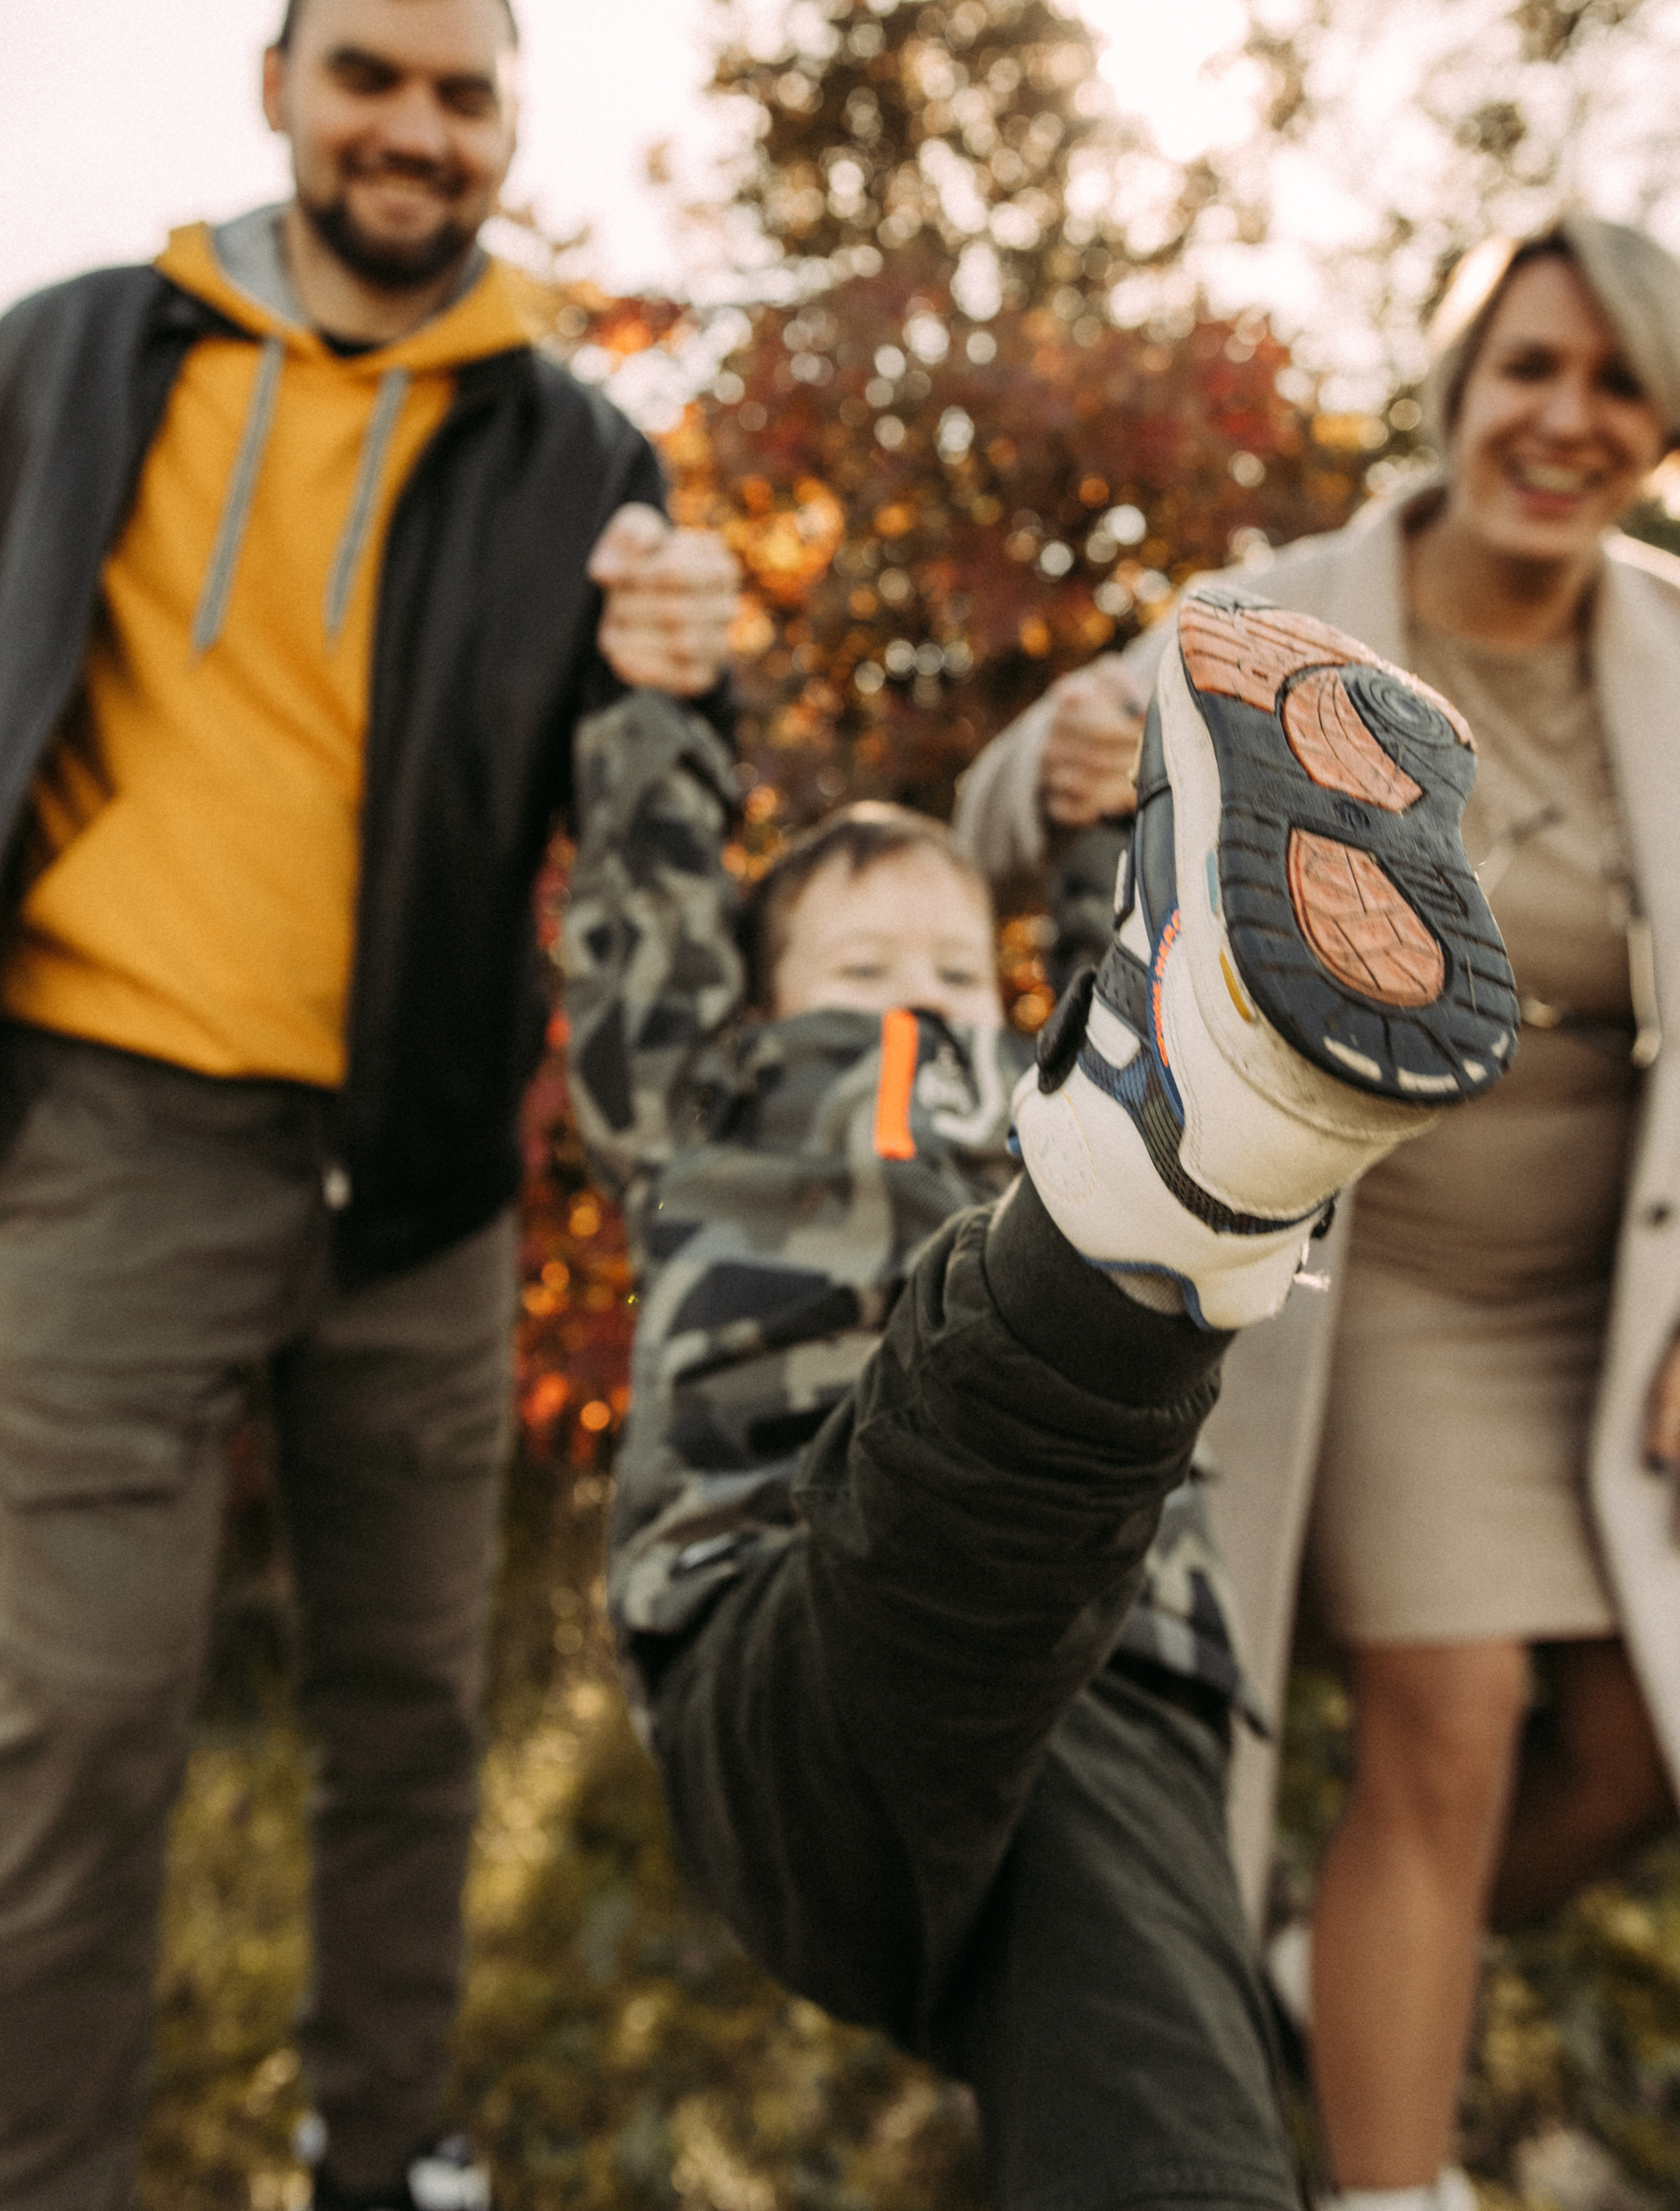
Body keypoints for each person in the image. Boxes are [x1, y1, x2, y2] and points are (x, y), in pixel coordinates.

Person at [0, 0, 737, 2211]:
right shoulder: (71, 358)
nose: (415, 129)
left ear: (509, 129)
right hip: (108, 1142)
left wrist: (692, 686)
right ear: (279, 85)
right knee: (75, 1727)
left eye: (464, 94)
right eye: (372, 78)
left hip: (422, 1174)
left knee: (411, 1718)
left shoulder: (586, 450)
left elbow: (654, 849)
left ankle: (385, 2149)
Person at [560, 580, 1512, 2211]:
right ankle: (1171, 1215)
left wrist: (1105, 833)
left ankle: (1187, 1177)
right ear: (762, 992)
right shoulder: (701, 1095)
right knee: (951, 1454)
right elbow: (641, 928)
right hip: (781, 1633)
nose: (917, 989)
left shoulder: (1023, 1073)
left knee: (1178, 2143)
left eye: (948, 960)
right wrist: (658, 710)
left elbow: (1116, 968)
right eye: (861, 961)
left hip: (1112, 1671)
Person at [954, 216, 1680, 2209]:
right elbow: (992, 815)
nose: (1565, 419)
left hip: (1634, 1305)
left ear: (1667, 427)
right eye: (1531, 369)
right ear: (1462, 384)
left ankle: (1320, 1968)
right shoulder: (1276, 613)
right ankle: (1395, 2182)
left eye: (1615, 387)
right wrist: (1057, 768)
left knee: (1641, 1753)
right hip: (1379, 1276)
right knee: (1450, 1723)